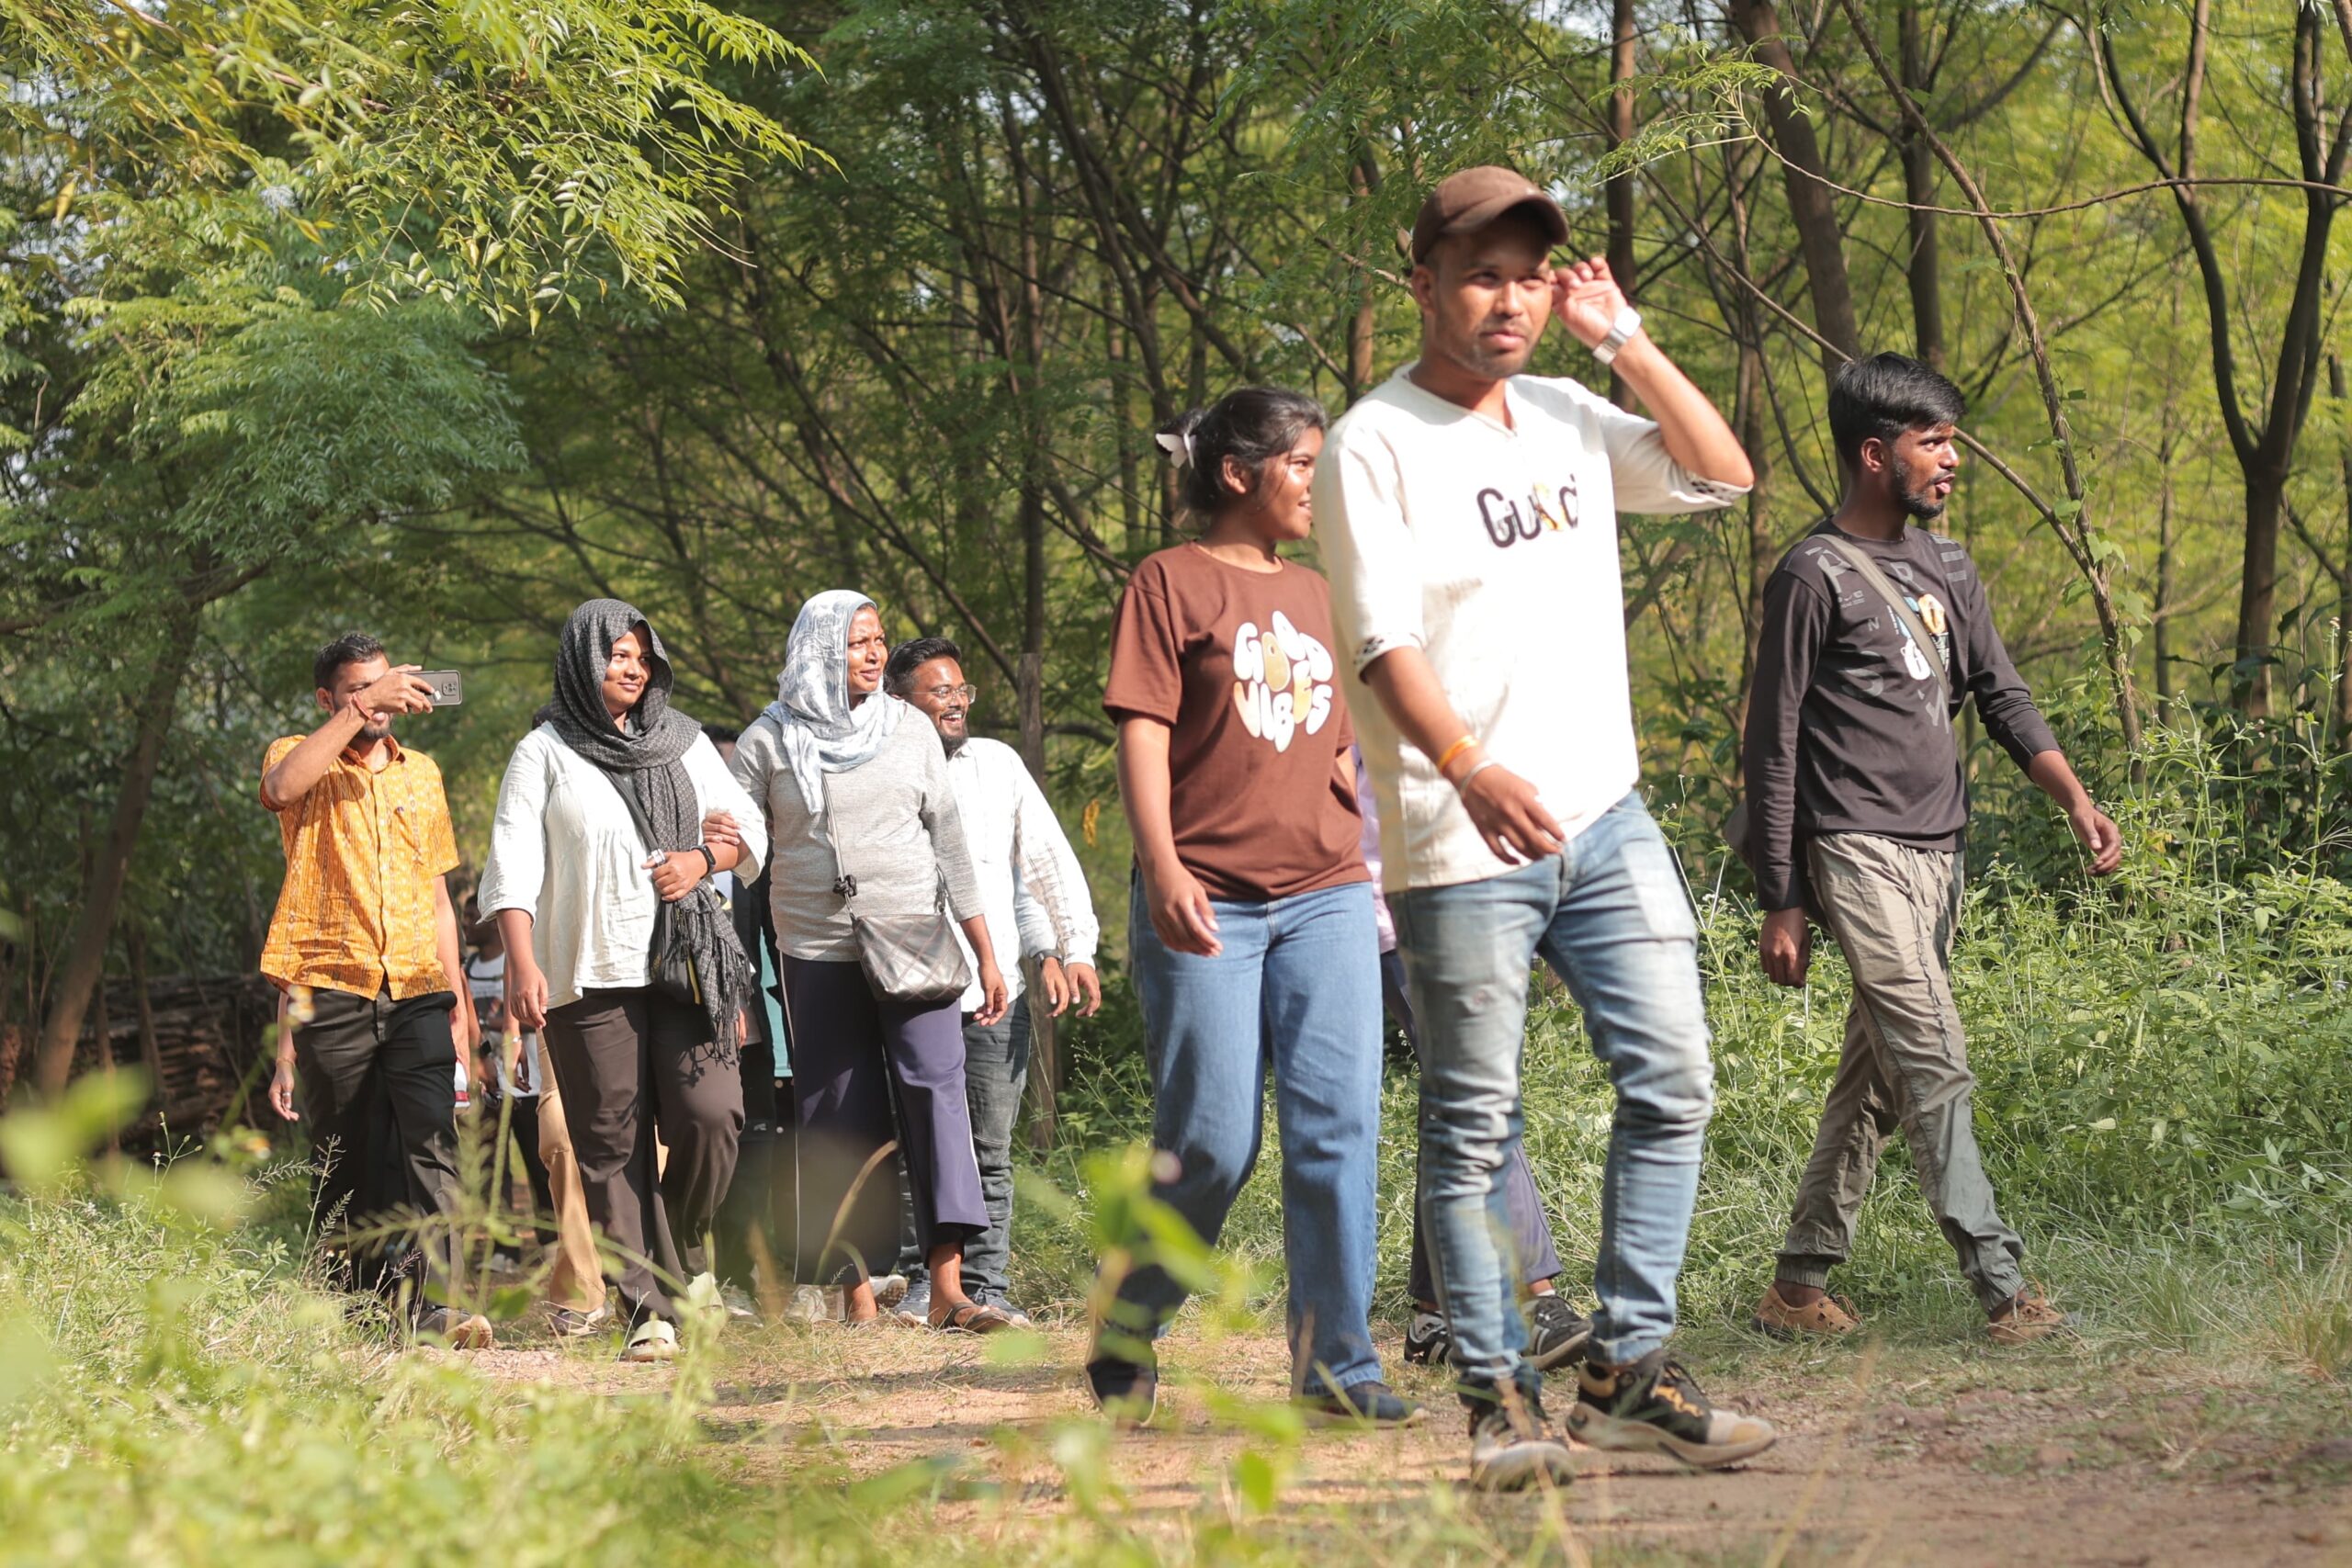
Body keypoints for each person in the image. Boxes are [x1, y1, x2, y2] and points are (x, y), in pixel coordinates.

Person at [1317, 165, 1776, 1487]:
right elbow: (1381, 641)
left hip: (1606, 813)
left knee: (1675, 1075)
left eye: (1528, 273)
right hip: (1461, 833)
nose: (1508, 296)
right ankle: (1500, 1399)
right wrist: (1465, 766)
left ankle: (1628, 1368)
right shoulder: (1373, 442)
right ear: (1423, 283)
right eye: (1480, 272)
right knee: (1472, 1120)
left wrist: (1624, 338)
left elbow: (1726, 472)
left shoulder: (1573, 414)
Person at [1742, 353, 2120, 1343]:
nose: (1952, 460)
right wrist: (1780, 895)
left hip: (1938, 855)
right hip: (1852, 851)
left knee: (1873, 1078)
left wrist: (2072, 797)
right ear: (1875, 454)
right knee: (1931, 1056)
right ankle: (2002, 1289)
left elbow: (1999, 695)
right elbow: (1771, 745)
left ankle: (1794, 1287)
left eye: (1951, 439)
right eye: (1932, 441)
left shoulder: (1949, 568)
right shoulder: (1810, 574)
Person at [1090, 387, 1418, 1429]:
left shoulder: (1322, 595)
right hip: (1206, 903)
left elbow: (1347, 743)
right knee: (1215, 1143)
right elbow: (1143, 730)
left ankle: (1337, 1365)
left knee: (1337, 1130)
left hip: (1325, 898)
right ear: (1239, 473)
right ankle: (1131, 1324)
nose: (1315, 485)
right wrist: (1162, 867)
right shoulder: (1168, 583)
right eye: (1301, 465)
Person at [481, 600, 765, 1363]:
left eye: (641, 654)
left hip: (687, 967)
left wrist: (702, 863)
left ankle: (673, 1255)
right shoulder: (542, 752)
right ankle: (650, 1308)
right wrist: (522, 959)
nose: (633, 667)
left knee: (713, 1114)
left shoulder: (686, 744)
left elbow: (749, 832)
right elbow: (512, 865)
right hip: (587, 969)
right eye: (616, 655)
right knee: (612, 1143)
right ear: (582, 660)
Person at [729, 591, 1015, 1332]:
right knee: (835, 1113)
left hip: (917, 939)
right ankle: (855, 1296)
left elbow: (949, 840)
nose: (873, 652)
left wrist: (986, 951)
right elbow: (744, 844)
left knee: (935, 1095)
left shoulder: (910, 728)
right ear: (821, 647)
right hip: (816, 950)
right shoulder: (770, 739)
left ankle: (950, 1289)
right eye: (858, 641)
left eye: (879, 639)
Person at [258, 631, 491, 1348]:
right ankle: (351, 1307)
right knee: (348, 1151)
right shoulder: (299, 753)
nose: (385, 698)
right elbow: (280, 789)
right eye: (363, 687)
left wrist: (461, 1003)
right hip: (333, 984)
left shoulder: (424, 773)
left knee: (430, 1144)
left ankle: (435, 1307)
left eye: (388, 684)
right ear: (330, 697)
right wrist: (358, 712)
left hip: (421, 986)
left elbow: (438, 896)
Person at [882, 637, 1102, 1328]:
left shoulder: (997, 765)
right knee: (916, 1142)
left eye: (961, 690)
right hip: (911, 987)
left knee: (988, 1148)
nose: (954, 702)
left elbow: (1043, 861)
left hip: (990, 994)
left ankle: (990, 1285)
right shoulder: (881, 770)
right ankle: (924, 1284)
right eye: (937, 691)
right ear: (900, 702)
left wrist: (1072, 948)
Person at [1360, 752, 1589, 1373]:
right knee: (1473, 1082)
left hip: (1470, 892)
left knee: (1452, 1092)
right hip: (1390, 897)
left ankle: (1432, 1314)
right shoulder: (1370, 658)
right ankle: (1534, 1296)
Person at [462, 895, 607, 1336]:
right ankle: (502, 1245)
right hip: (498, 1073)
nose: (470, 922)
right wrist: (488, 1051)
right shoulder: (472, 966)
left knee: (537, 1153)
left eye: (475, 914)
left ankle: (551, 1241)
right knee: (496, 1162)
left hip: (530, 1069)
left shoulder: (517, 953)